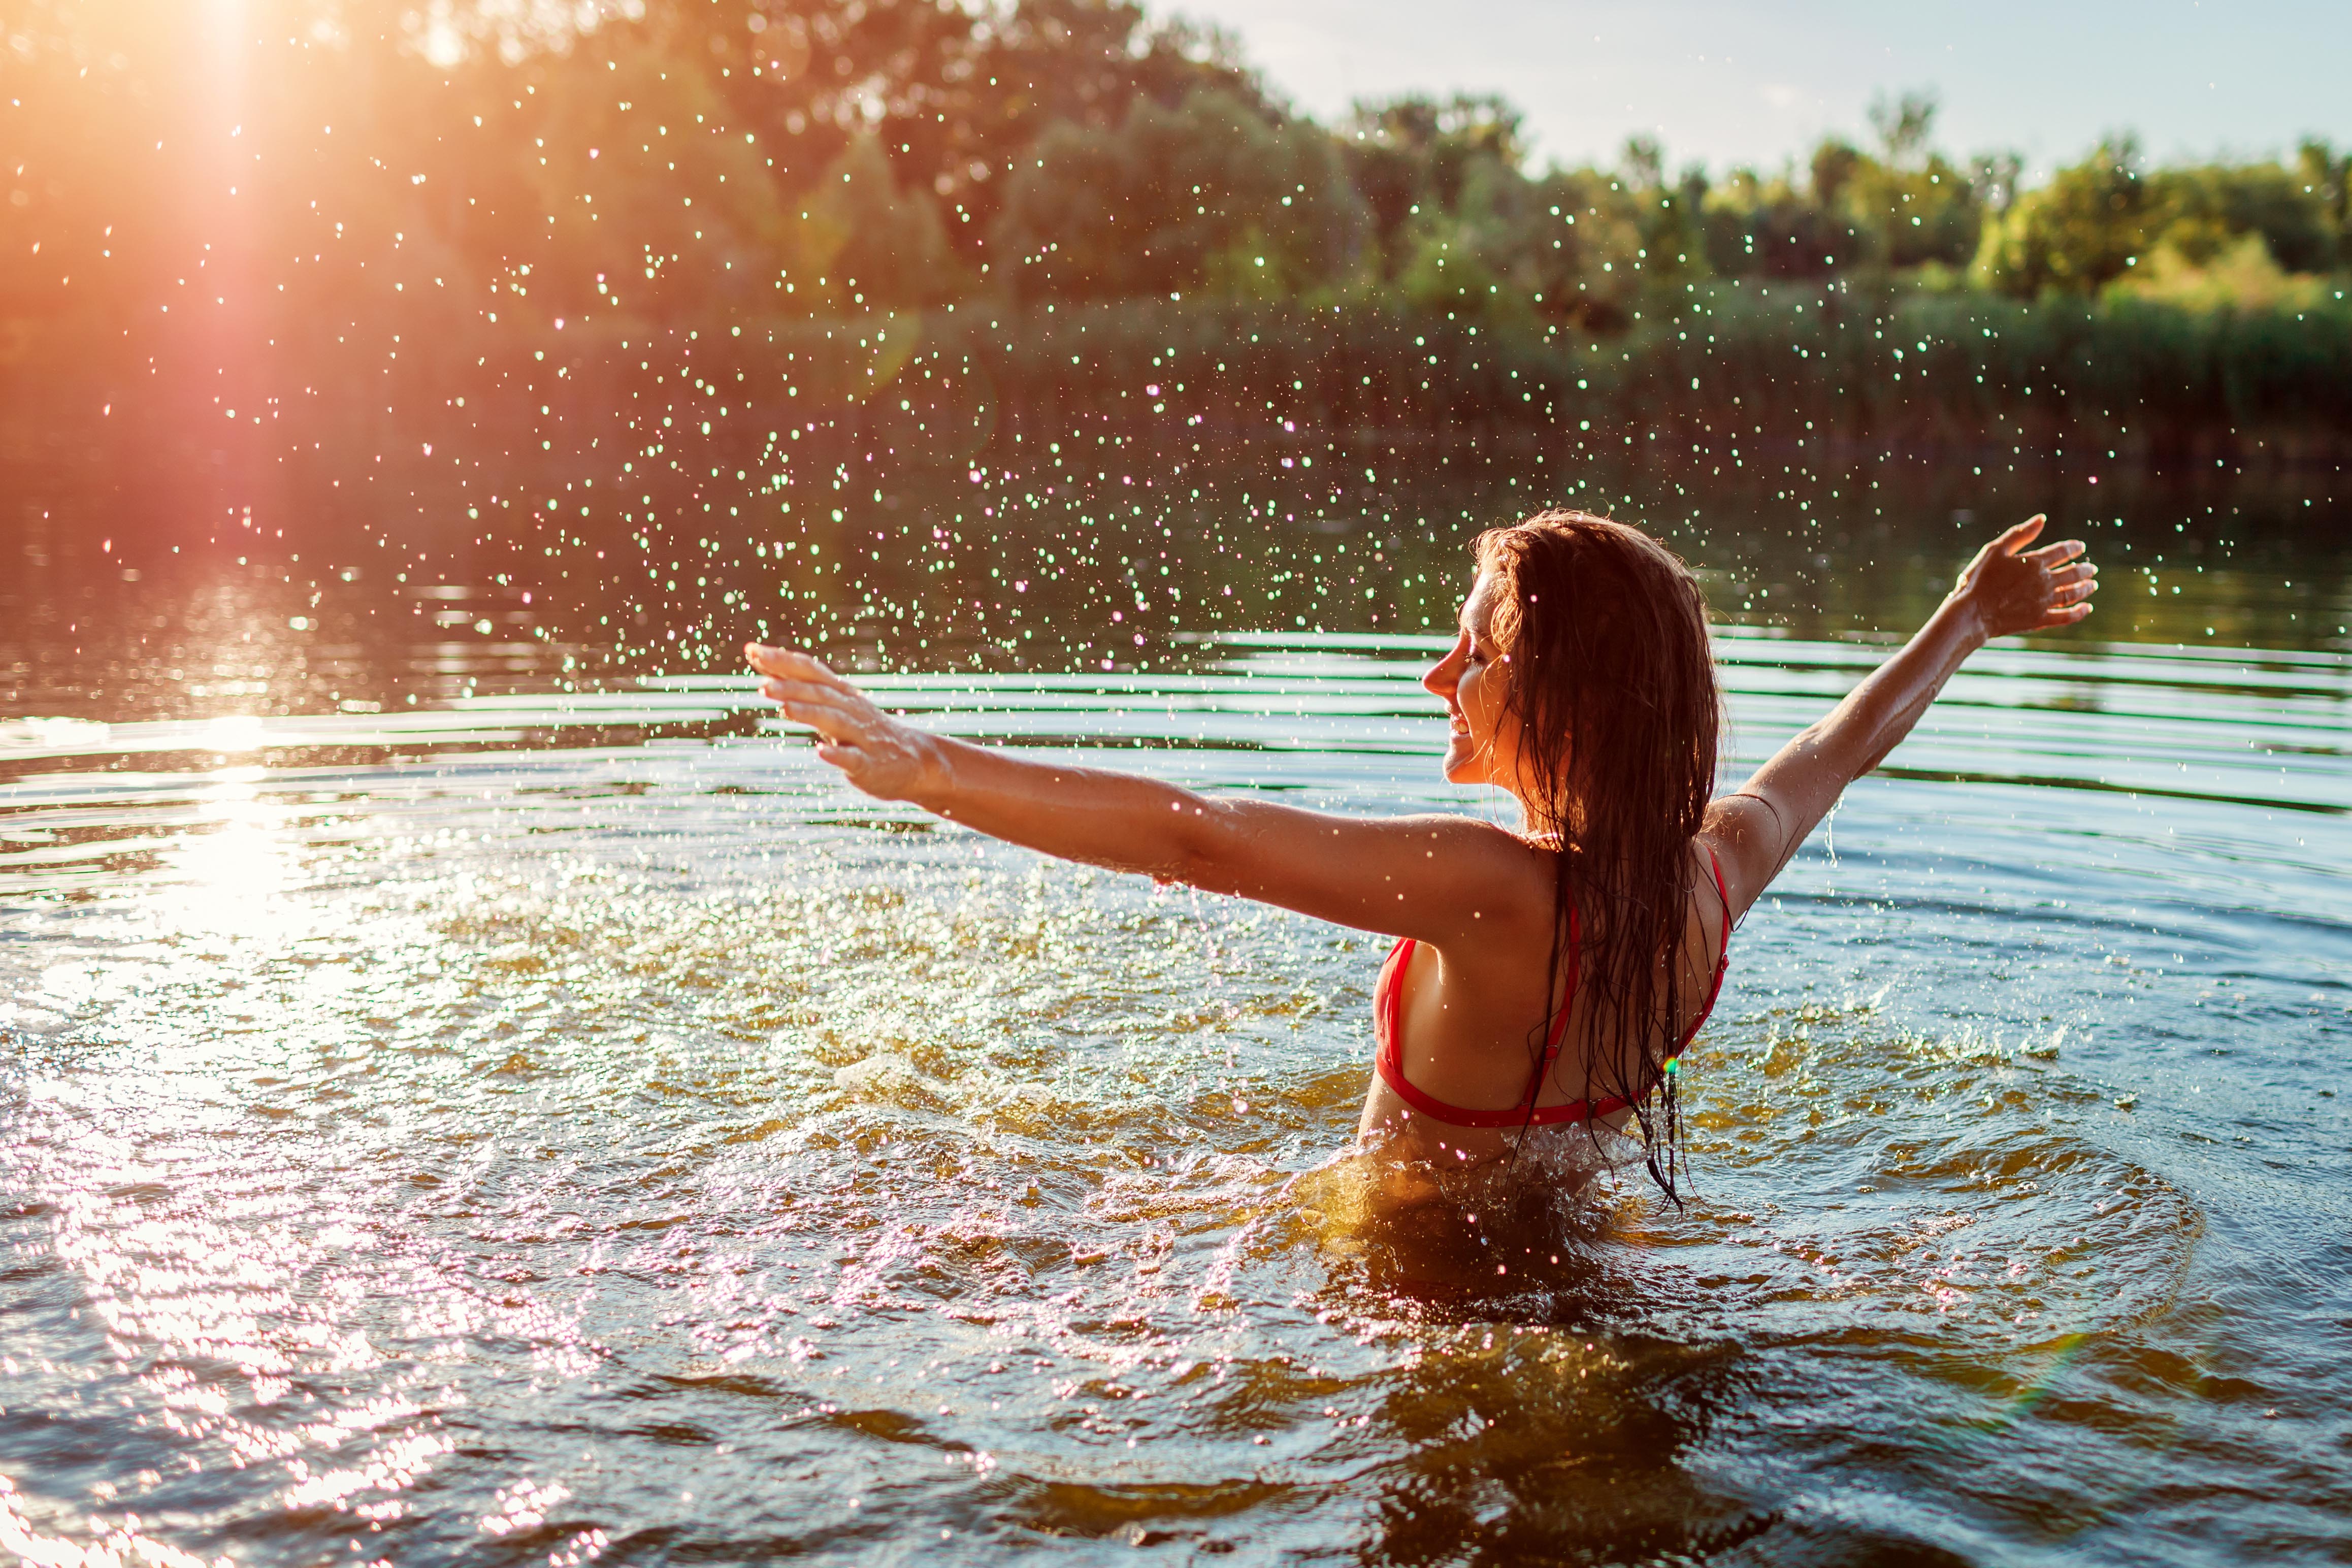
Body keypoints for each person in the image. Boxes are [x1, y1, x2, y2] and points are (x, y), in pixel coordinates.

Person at [743, 511, 2096, 1205]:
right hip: (1589, 1272)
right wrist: (1964, 619)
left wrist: (929, 766)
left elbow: (1190, 836)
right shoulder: (1710, 879)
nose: (1440, 670)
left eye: (1479, 650)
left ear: (1565, 698)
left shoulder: (1485, 891)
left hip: (1400, 1302)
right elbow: (1841, 748)